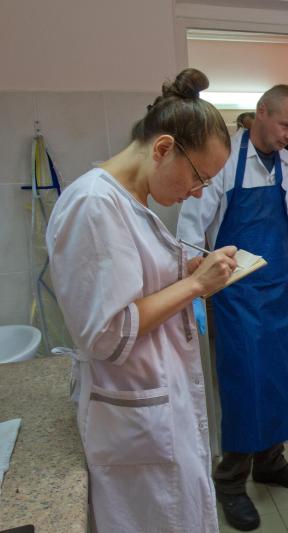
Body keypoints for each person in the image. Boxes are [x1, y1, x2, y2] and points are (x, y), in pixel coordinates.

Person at [45, 68, 236, 533]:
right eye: (199, 177)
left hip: (157, 405)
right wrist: (194, 287)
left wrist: (184, 273)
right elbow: (107, 334)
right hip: (134, 419)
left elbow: (132, 288)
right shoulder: (94, 206)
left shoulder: (132, 200)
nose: (198, 192)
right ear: (164, 148)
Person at [176, 84, 288, 531]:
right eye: (285, 124)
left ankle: (271, 462)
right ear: (261, 113)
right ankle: (229, 481)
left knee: (281, 379)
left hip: (279, 292)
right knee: (245, 385)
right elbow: (192, 230)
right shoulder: (224, 161)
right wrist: (194, 290)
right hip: (234, 295)